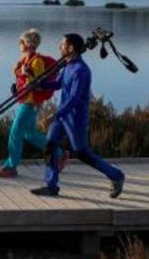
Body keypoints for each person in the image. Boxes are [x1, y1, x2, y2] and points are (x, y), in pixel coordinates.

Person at [31, 33, 125, 198]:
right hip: (62, 117)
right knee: (49, 147)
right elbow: (58, 84)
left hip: (75, 119)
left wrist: (53, 115)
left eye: (62, 44)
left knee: (82, 153)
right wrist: (38, 84)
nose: (59, 47)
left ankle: (116, 176)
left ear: (71, 48)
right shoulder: (68, 66)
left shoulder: (81, 70)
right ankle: (51, 185)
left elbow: (74, 99)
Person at [0, 29, 69, 178]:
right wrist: (18, 85)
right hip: (26, 101)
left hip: (30, 104)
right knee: (30, 134)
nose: (19, 44)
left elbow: (37, 84)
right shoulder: (25, 60)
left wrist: (26, 73)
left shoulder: (37, 61)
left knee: (15, 132)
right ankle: (60, 154)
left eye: (21, 42)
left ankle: (11, 166)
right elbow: (21, 78)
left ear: (28, 44)